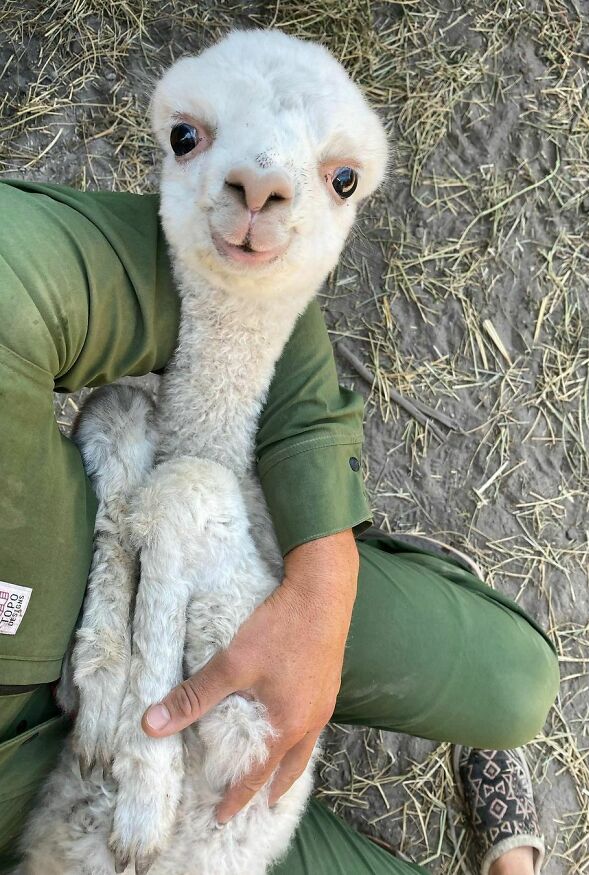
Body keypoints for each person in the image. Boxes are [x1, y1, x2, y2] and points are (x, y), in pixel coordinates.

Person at [0, 179, 559, 875]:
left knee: (516, 685)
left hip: (192, 553)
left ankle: (367, 564)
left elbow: (239, 282)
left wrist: (322, 575)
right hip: (69, 823)